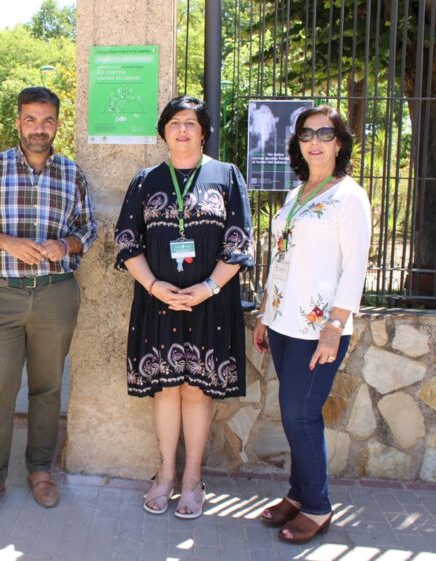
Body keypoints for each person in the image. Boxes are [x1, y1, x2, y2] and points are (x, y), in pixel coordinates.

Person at [0, 86, 97, 520]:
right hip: (0, 295)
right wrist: (7, 243)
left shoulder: (71, 174)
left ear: (58, 124)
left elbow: (88, 230)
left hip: (55, 294)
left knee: (47, 387)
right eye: (31, 120)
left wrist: (64, 244)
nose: (39, 128)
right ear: (19, 123)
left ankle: (40, 470)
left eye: (47, 120)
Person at [114, 95, 254, 519]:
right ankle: (166, 473)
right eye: (174, 122)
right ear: (163, 131)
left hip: (209, 303)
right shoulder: (145, 180)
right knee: (167, 388)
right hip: (159, 303)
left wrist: (209, 287)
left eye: (190, 123)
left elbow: (239, 241)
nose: (182, 130)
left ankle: (193, 478)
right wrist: (155, 286)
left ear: (203, 131)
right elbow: (126, 241)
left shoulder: (227, 176)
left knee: (197, 389)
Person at [253, 105, 371, 544]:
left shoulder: (349, 196)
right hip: (284, 323)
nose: (315, 141)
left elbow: (355, 267)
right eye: (307, 134)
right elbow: (281, 257)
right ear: (298, 144)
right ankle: (298, 495)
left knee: (301, 416)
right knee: (293, 414)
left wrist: (335, 326)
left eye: (325, 133)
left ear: (339, 143)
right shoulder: (295, 194)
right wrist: (266, 312)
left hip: (320, 328)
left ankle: (318, 506)